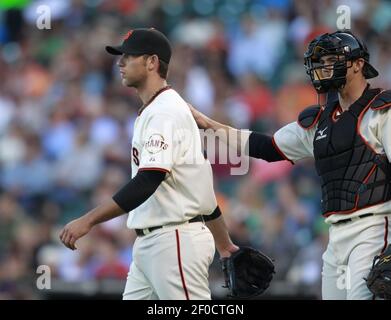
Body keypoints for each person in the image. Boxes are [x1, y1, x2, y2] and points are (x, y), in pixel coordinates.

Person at [190, 30, 391, 300]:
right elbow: (268, 148)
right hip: (335, 235)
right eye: (321, 62)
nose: (323, 68)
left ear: (357, 64)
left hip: (375, 228)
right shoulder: (321, 120)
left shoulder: (382, 111)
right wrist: (207, 123)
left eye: (331, 60)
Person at [59, 28, 238, 300]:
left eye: (129, 57)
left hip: (174, 240)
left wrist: (89, 220)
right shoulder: (159, 109)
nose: (120, 63)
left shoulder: (164, 112)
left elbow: (148, 180)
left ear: (152, 62)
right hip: (154, 242)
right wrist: (224, 244)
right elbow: (199, 188)